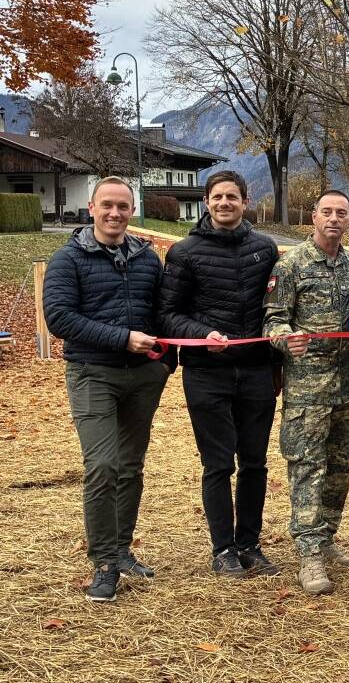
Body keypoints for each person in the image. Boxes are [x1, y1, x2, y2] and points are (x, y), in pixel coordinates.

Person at [44, 176, 171, 602]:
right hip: (92, 373)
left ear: (131, 210)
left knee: (131, 466)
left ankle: (122, 549)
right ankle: (102, 563)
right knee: (103, 465)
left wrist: (165, 364)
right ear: (92, 208)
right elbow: (59, 318)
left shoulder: (148, 260)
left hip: (142, 378)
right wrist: (121, 339)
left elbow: (161, 314)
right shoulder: (69, 259)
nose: (115, 213)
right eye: (107, 205)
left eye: (123, 206)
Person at [157, 170, 281, 577]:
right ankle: (222, 548)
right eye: (217, 197)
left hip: (256, 370)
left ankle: (250, 544)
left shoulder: (265, 250)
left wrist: (277, 366)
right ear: (207, 202)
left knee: (255, 463)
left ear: (245, 202)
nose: (225, 203)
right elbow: (168, 315)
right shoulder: (184, 252)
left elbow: (274, 312)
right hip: (207, 372)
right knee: (217, 464)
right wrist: (200, 334)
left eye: (232, 196)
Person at [263, 189, 349, 595]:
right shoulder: (290, 266)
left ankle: (326, 538)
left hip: (347, 386)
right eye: (327, 212)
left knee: (340, 468)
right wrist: (287, 338)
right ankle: (308, 555)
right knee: (307, 468)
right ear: (314, 217)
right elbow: (272, 321)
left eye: (341, 213)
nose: (334, 219)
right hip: (307, 389)